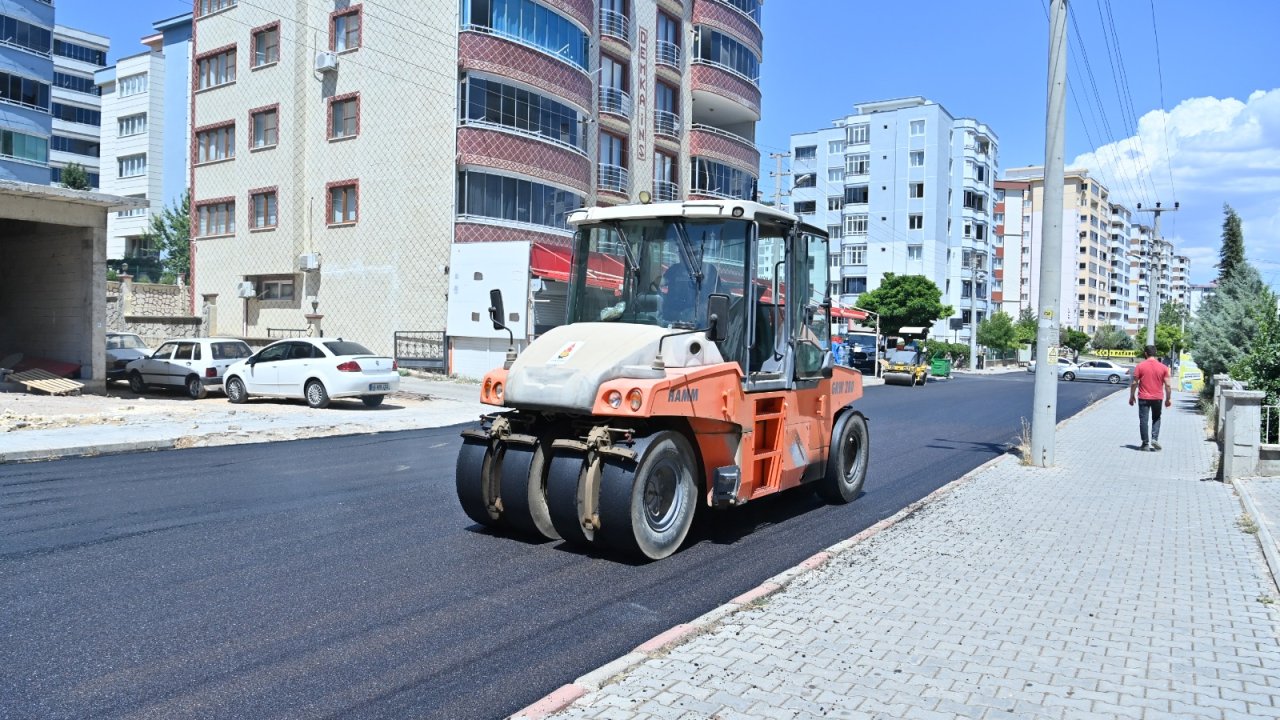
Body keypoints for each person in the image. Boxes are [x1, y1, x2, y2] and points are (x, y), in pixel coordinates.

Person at [1129, 344, 1173, 451]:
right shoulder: (1163, 367)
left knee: (1144, 420)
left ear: (1145, 354)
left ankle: (1145, 444)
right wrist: (1168, 399)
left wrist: (1132, 396)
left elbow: (1134, 383)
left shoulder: (1140, 366)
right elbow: (1168, 385)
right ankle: (1154, 438)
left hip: (1143, 397)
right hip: (1158, 397)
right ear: (1155, 353)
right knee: (1156, 418)